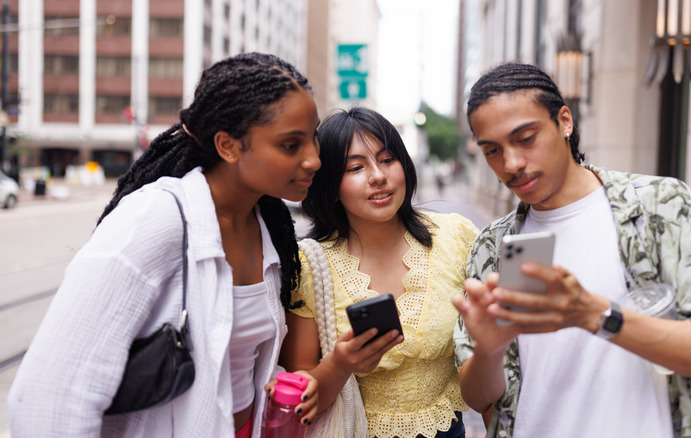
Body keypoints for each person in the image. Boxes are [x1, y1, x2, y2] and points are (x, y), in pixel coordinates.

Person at [8, 53, 321, 437]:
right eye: (291, 145)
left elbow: (233, 361)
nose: (314, 159)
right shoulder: (155, 219)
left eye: (313, 138)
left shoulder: (267, 226)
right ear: (228, 146)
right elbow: (49, 400)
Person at [451, 62, 691, 438]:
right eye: (492, 150)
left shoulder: (660, 207)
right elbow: (480, 400)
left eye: (526, 138)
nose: (511, 164)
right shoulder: (493, 245)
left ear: (565, 121)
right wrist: (491, 350)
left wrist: (594, 313)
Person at [279, 107, 479, 438]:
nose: (377, 176)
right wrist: (340, 365)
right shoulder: (309, 265)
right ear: (330, 186)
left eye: (387, 160)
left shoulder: (456, 236)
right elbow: (299, 399)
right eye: (356, 167)